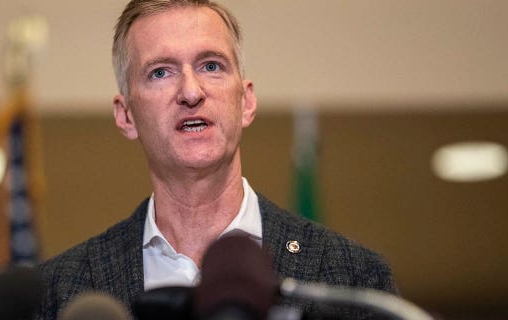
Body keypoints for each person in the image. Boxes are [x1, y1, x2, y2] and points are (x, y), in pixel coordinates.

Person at [37, 1, 397, 319]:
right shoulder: (58, 292)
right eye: (160, 72)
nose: (191, 92)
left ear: (247, 101)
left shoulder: (353, 278)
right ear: (126, 115)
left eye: (211, 66)